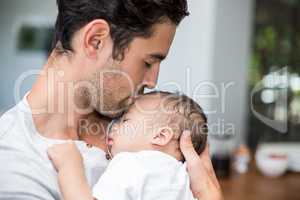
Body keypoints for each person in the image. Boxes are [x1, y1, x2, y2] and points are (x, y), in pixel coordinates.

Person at [0, 0, 223, 200]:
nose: (153, 81)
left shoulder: (138, 119)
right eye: (148, 62)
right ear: (95, 41)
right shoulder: (15, 168)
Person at [48, 92, 208, 200]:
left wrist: (69, 167)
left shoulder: (130, 164)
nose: (113, 126)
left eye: (125, 121)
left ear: (160, 136)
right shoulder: (184, 178)